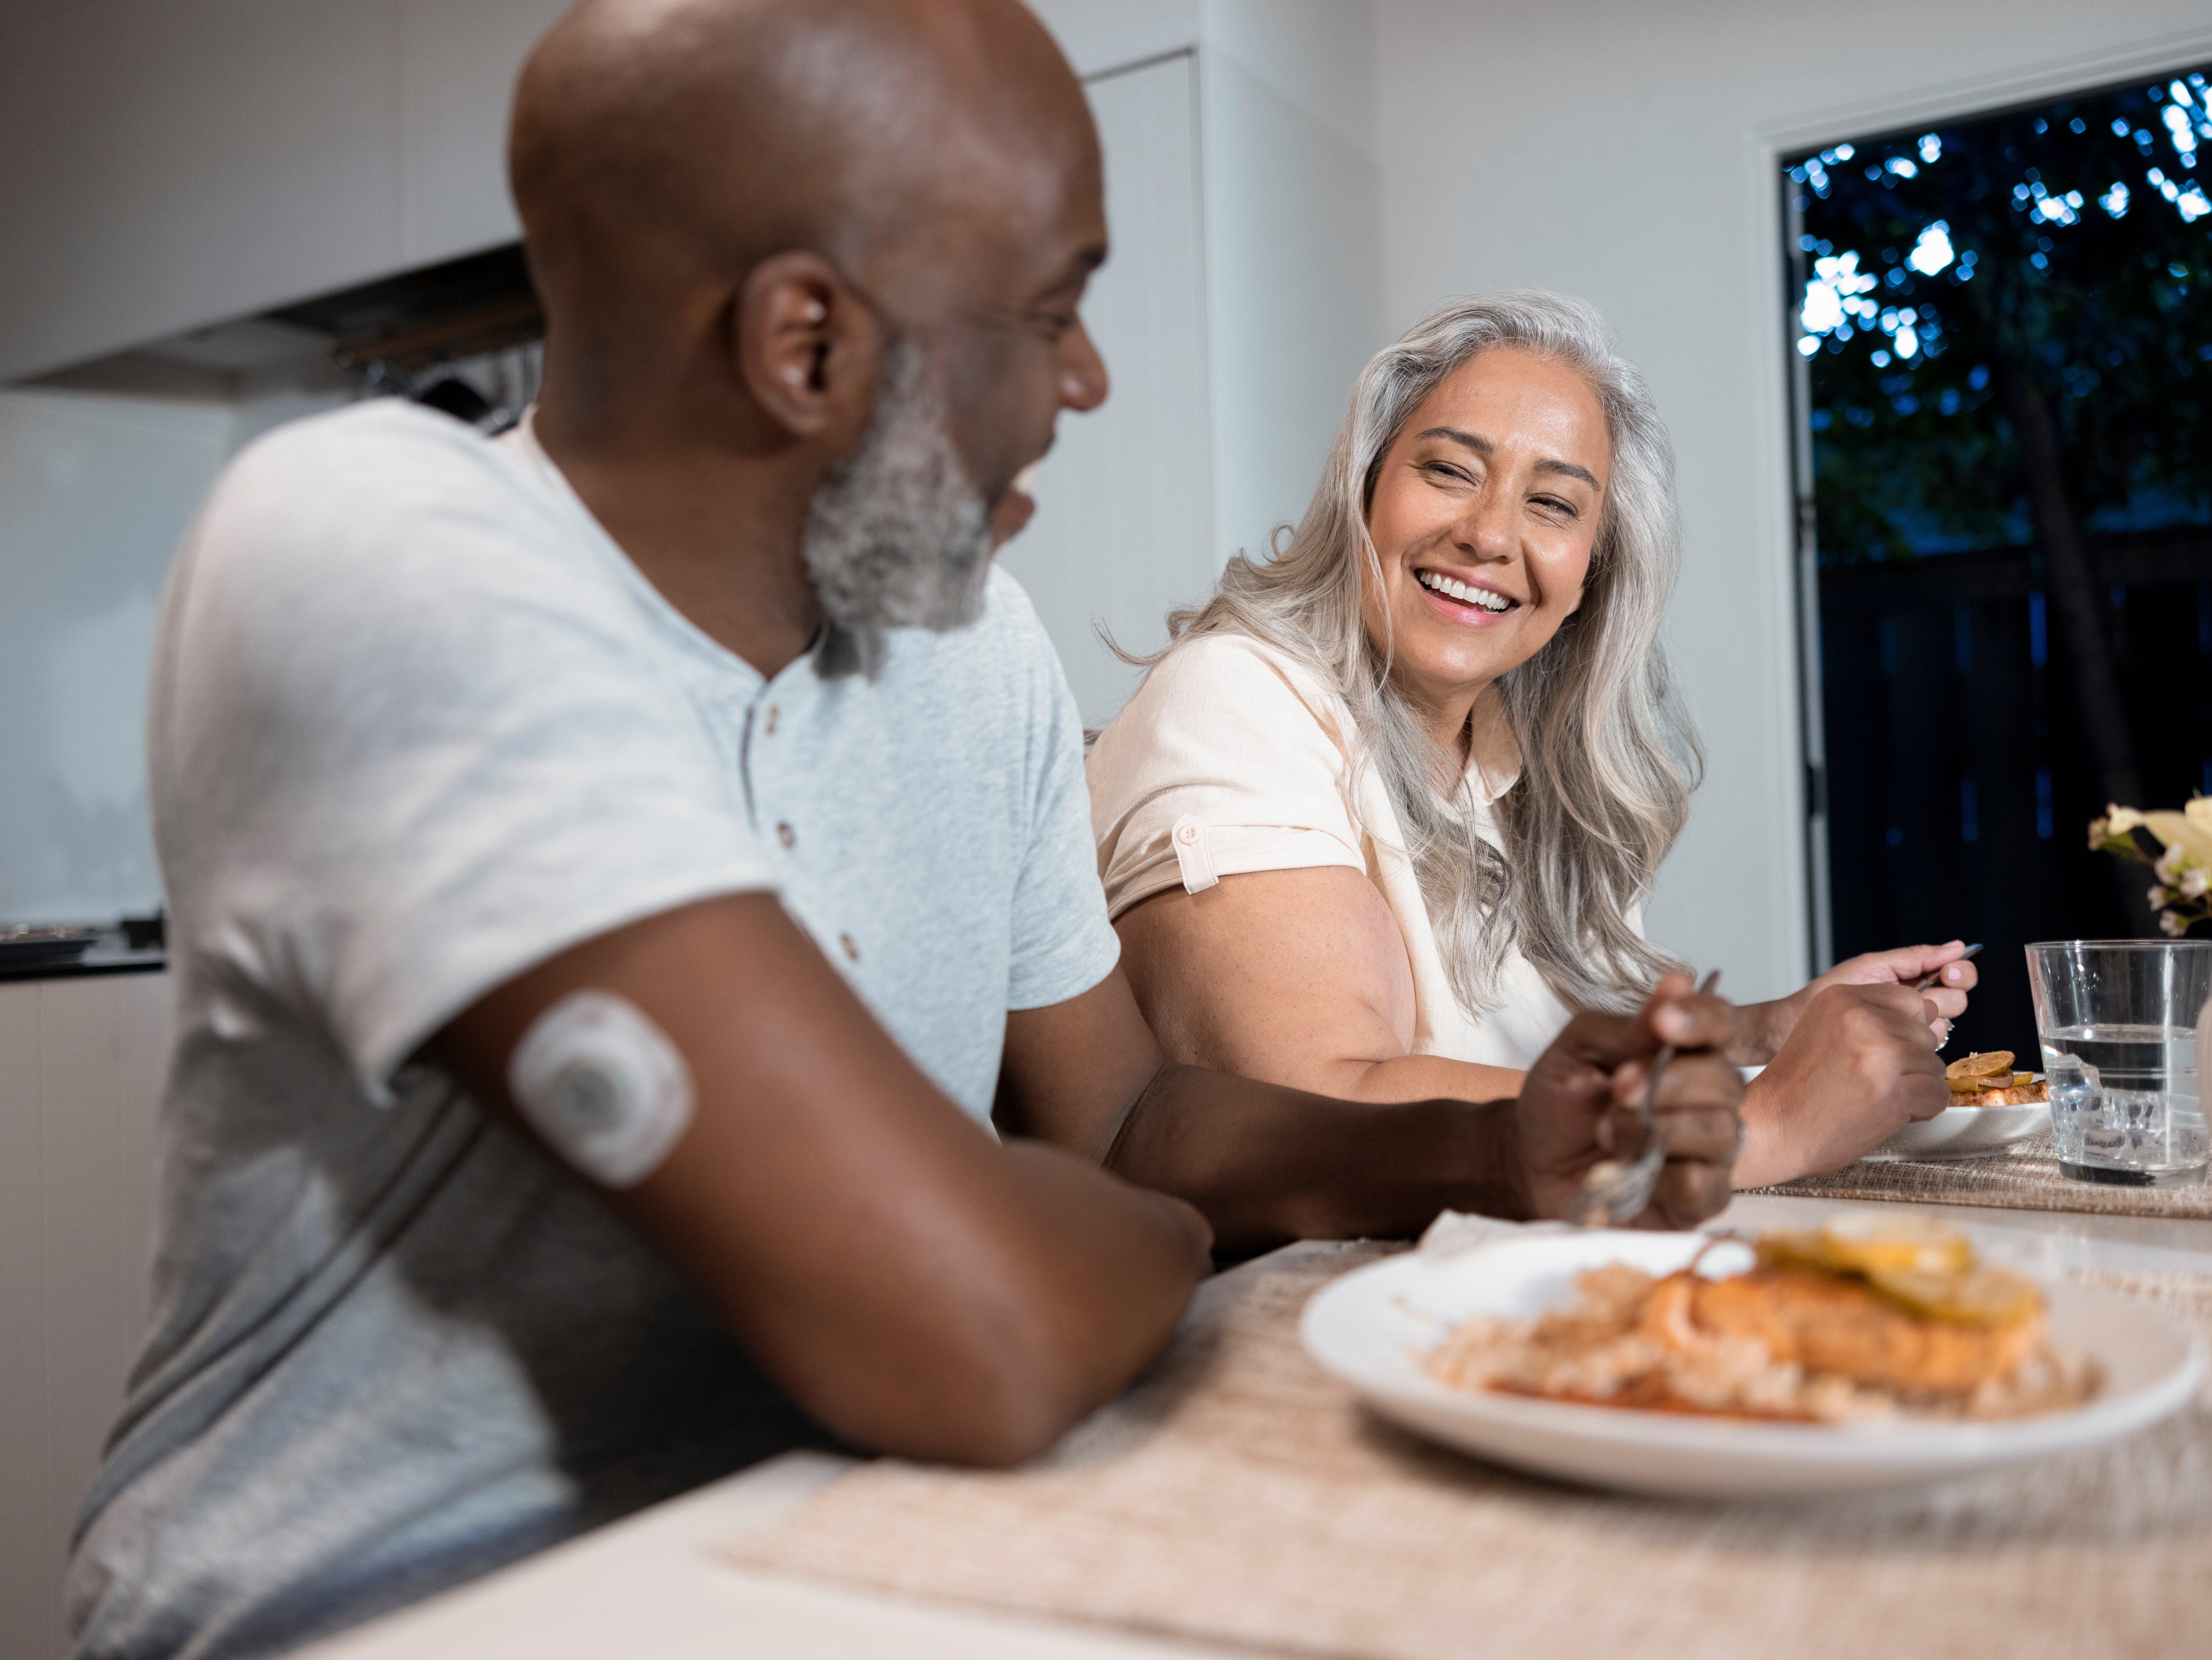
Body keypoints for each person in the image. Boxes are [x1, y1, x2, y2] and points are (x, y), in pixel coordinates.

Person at [67, 11, 1745, 1659]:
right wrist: (1067, 1229)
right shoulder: (371, 544)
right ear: (805, 344)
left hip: (853, 1533)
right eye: (1050, 311)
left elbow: (1129, 1121)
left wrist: (1483, 1152)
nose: (1087, 379)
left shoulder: (978, 647)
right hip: (386, 1599)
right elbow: (980, 1329)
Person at [1088, 292, 1973, 1188]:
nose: (1489, 534)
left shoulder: (1533, 764)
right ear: (1366, 492)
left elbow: (1537, 1066)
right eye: (1448, 470)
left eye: (1552, 504)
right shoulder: (1237, 697)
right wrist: (1755, 1123)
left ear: (1591, 573)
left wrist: (1762, 1031)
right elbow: (1316, 1107)